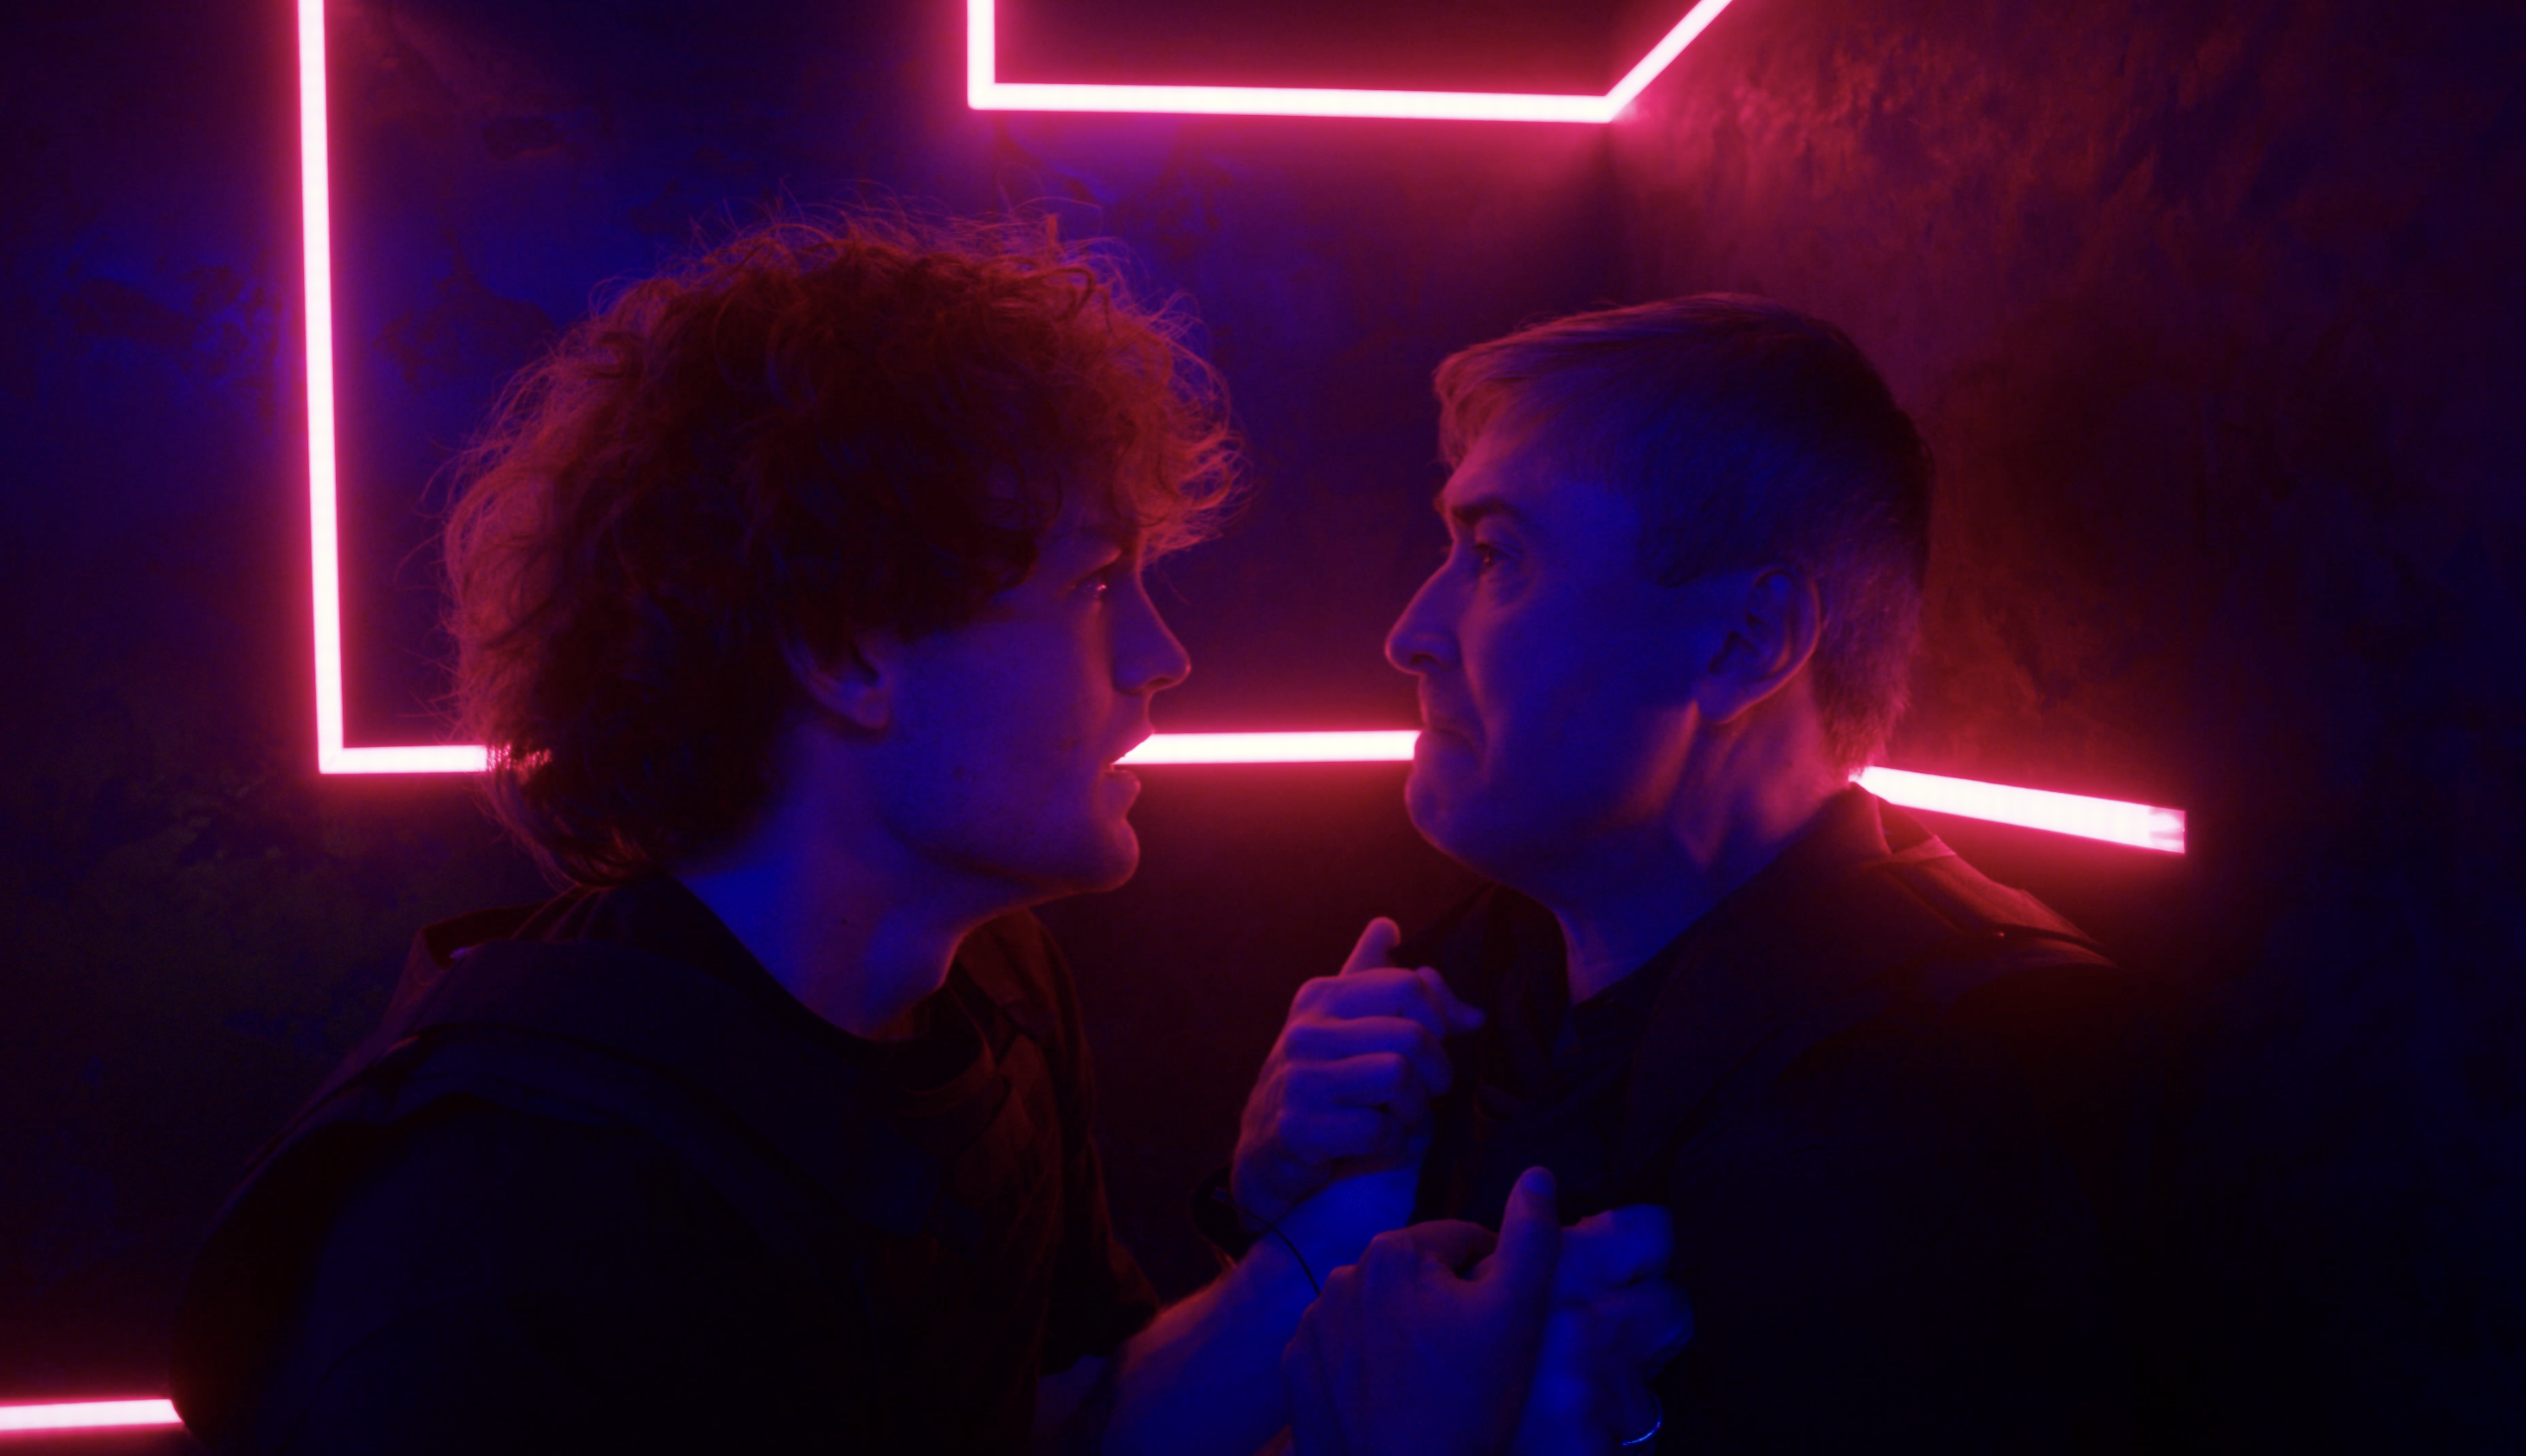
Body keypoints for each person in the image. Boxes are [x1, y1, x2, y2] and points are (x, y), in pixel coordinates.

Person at [166, 213, 1617, 1456]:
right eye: (1093, 584)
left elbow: (1072, 1418)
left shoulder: (990, 980)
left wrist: (1334, 1236)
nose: (1161, 655)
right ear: (848, 647)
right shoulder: (519, 1248)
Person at [1234, 296, 2164, 1450]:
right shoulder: (1467, 985)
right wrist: (1286, 1221)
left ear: (1742, 642)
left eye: (1496, 555)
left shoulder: (1917, 1120)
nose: (1410, 632)